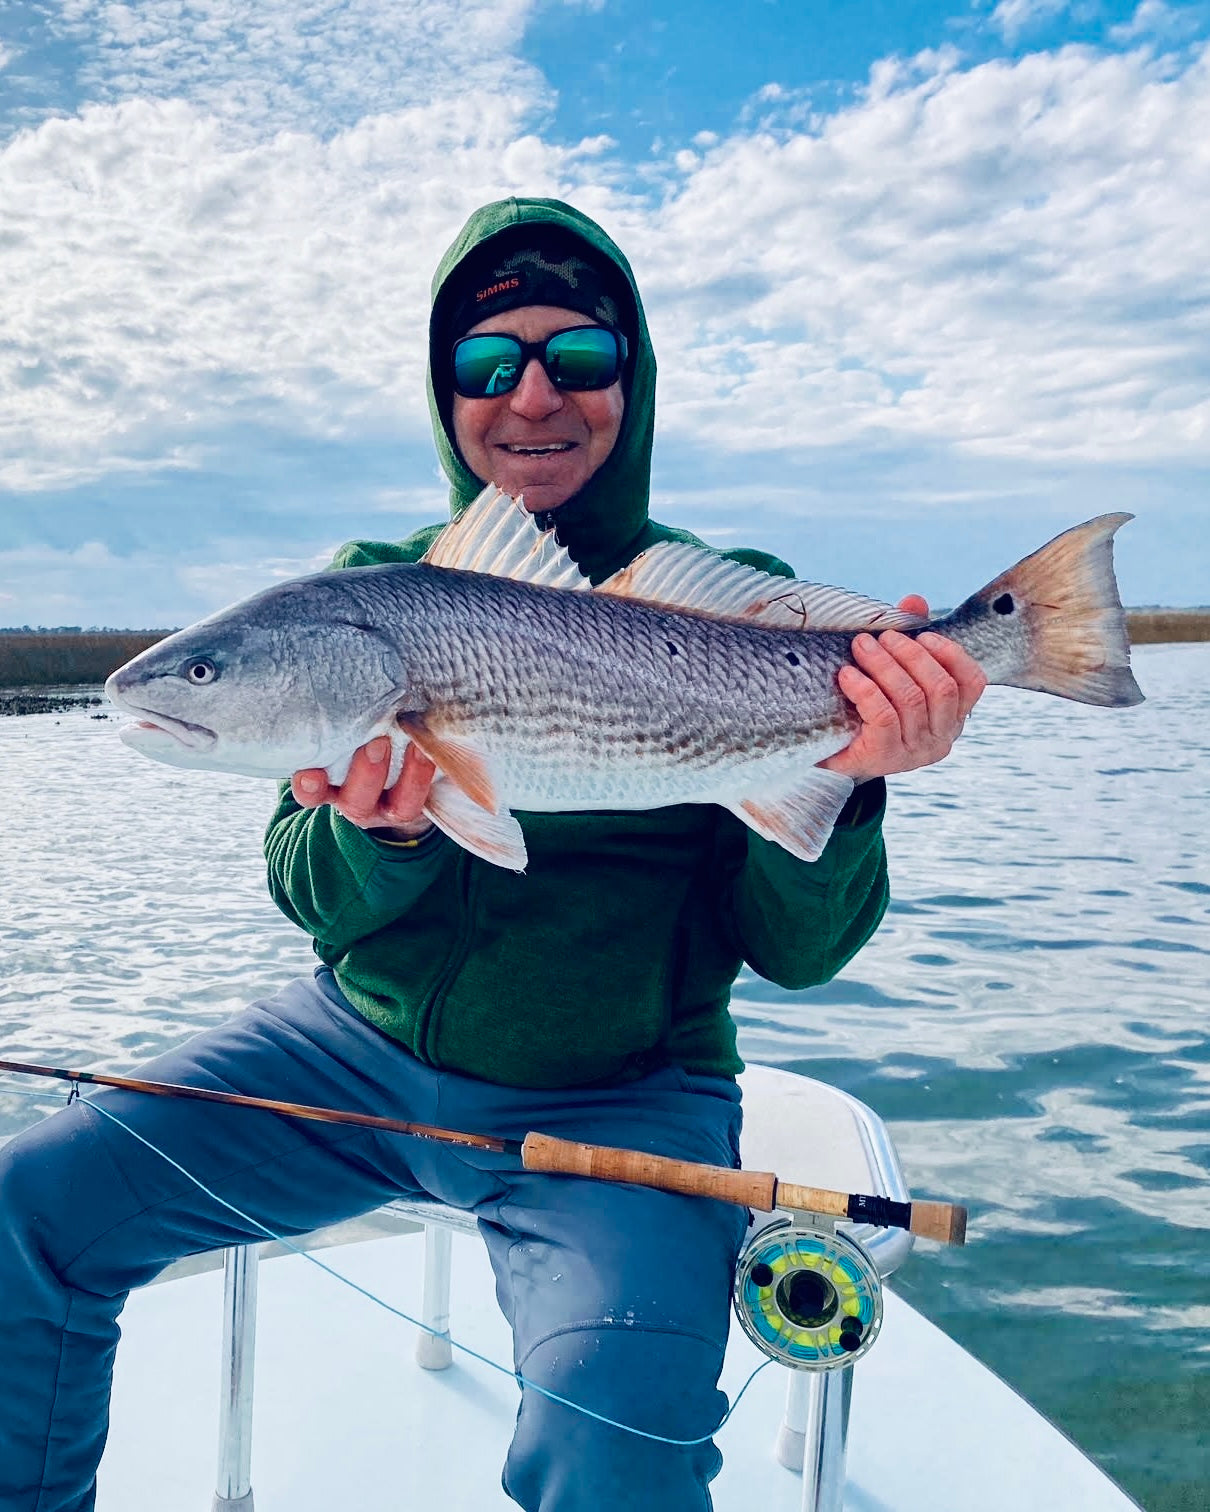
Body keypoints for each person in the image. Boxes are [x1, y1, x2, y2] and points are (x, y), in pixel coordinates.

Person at [0, 198, 986, 1511]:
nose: (530, 395)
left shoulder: (739, 601)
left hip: (622, 1098)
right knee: (25, 1213)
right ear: (442, 392)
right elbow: (309, 895)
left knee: (613, 1431)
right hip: (344, 1055)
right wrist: (381, 837)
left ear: (629, 384)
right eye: (484, 363)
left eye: (576, 357)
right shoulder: (368, 588)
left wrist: (850, 791)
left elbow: (801, 955)